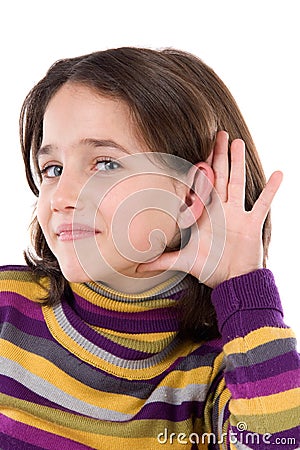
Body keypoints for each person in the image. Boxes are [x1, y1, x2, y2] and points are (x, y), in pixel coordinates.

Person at [0, 47, 299, 450]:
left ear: (192, 194)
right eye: (53, 169)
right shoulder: (7, 308)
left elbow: (280, 441)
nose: (61, 196)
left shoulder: (215, 375)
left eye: (105, 164)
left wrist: (242, 284)